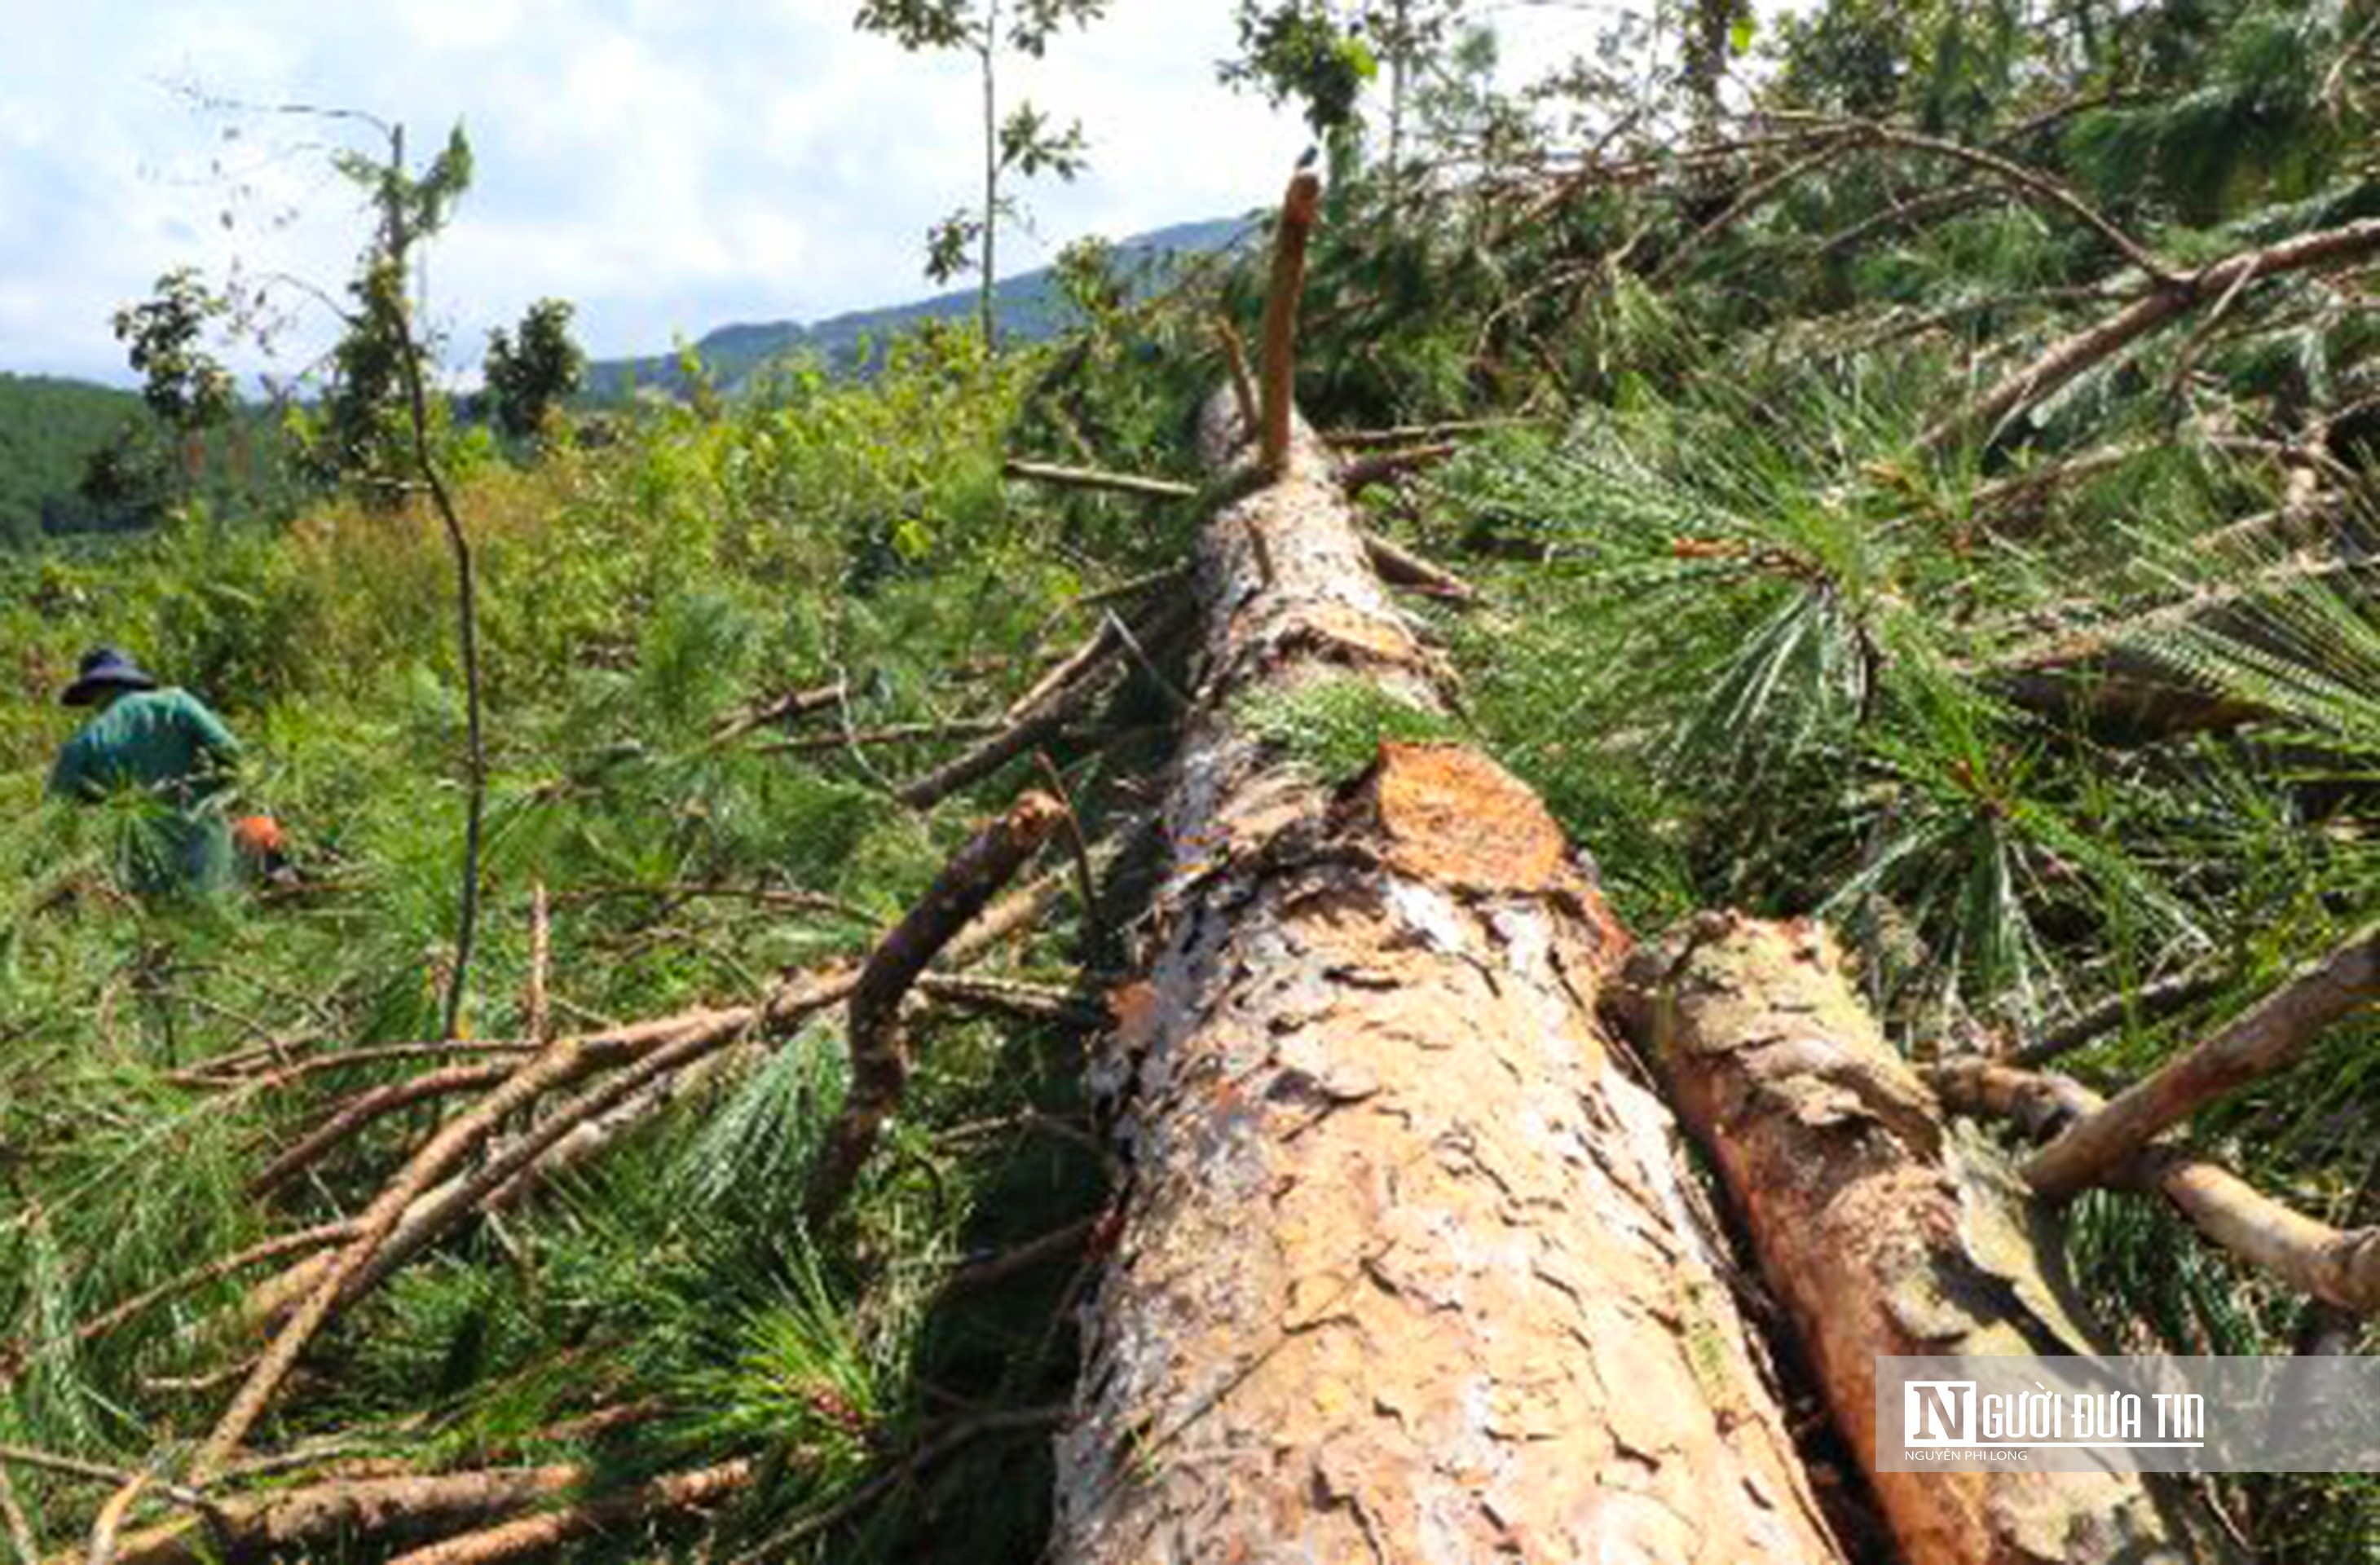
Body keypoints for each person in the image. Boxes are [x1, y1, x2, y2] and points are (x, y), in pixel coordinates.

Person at [46, 647, 244, 893]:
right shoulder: (177, 704)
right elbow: (233, 753)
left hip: (142, 869)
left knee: (162, 929)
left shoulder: (83, 744)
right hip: (206, 845)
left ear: (91, 693)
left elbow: (57, 811)